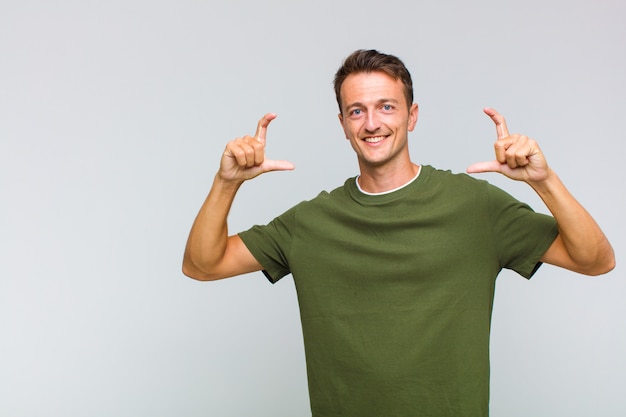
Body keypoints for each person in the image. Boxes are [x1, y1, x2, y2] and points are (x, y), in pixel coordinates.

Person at [182, 49, 615, 416]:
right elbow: (202, 264)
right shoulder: (310, 223)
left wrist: (544, 182)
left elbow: (595, 260)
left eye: (386, 106)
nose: (372, 123)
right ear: (343, 124)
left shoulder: (477, 207)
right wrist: (227, 183)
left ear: (412, 116)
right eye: (357, 110)